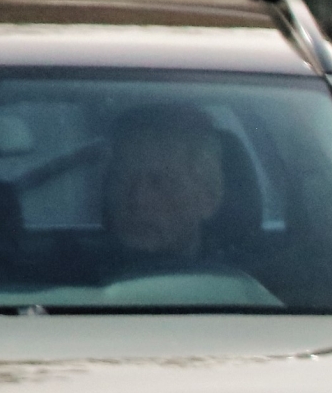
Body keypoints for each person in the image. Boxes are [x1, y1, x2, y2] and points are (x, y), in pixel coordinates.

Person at [98, 105, 275, 302]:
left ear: (209, 196)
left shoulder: (251, 296)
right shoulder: (66, 277)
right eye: (122, 178)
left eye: (159, 182)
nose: (137, 199)